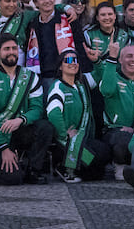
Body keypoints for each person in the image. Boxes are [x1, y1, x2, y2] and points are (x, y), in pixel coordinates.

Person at [0, 33, 55, 185]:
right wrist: (4, 148)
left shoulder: (30, 77)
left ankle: (33, 169)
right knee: (14, 179)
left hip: (20, 129)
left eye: (14, 48)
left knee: (45, 127)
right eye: (6, 49)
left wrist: (21, 119)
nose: (11, 52)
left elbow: (37, 108)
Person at [46, 48, 111, 182]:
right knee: (92, 165)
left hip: (84, 139)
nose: (73, 63)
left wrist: (97, 61)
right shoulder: (58, 86)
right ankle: (62, 165)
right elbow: (53, 113)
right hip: (67, 142)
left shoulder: (83, 82)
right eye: (68, 60)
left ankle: (75, 167)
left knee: (104, 155)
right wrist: (64, 133)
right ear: (60, 66)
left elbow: (100, 75)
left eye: (76, 60)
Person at [99, 42, 134, 167]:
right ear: (120, 60)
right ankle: (121, 165)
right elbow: (106, 90)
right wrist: (111, 58)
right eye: (129, 56)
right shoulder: (113, 77)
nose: (133, 60)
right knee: (124, 139)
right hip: (115, 131)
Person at [25, 0, 76, 84]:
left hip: (66, 75)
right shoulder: (32, 25)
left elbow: (78, 46)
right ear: (36, 3)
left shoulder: (68, 19)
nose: (47, 1)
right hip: (42, 77)